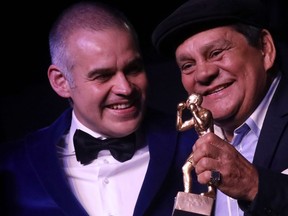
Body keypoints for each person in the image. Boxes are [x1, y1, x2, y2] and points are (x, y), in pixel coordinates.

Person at [0, 1, 199, 216]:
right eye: (103, 75)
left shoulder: (196, 145)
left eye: (133, 69)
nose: (125, 88)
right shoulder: (12, 165)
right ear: (61, 81)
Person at [152, 0, 288, 215]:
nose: (203, 73)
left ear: (265, 48)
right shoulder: (187, 146)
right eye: (188, 65)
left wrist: (254, 185)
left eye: (216, 53)